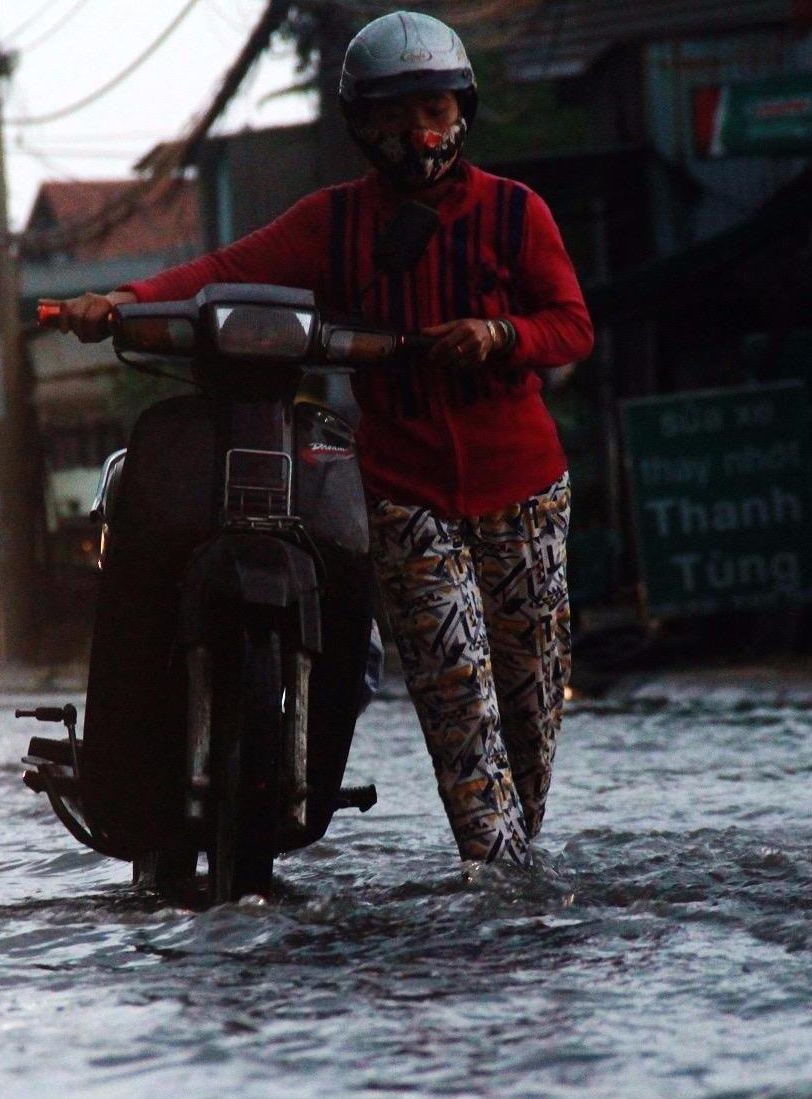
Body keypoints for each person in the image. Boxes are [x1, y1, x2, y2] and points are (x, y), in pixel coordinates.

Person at [52, 11, 593, 868]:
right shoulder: (332, 223)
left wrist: (501, 336)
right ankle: (493, 875)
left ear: (463, 115)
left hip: (525, 488)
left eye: (435, 113)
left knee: (529, 713)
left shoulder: (516, 214)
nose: (417, 134)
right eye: (394, 116)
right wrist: (122, 299)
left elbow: (571, 326)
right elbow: (221, 271)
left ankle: (515, 872)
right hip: (405, 493)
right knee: (456, 697)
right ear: (359, 124)